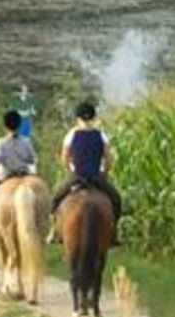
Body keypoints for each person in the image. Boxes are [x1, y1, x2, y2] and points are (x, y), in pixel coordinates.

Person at [52, 100, 123, 243]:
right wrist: (104, 173)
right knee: (116, 199)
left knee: (56, 199)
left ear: (77, 118)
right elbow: (108, 159)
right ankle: (114, 232)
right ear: (93, 118)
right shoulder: (101, 135)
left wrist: (71, 170)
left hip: (77, 176)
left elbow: (64, 158)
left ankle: (54, 230)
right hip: (96, 176)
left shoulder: (71, 134)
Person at [0, 109, 38, 229]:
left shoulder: (1, 143)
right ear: (19, 125)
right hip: (25, 173)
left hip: (7, 174)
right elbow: (33, 159)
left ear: (5, 126)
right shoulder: (27, 141)